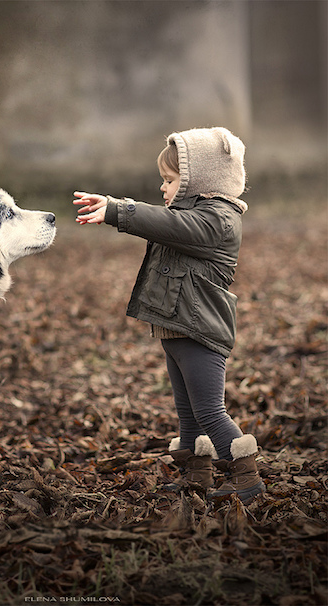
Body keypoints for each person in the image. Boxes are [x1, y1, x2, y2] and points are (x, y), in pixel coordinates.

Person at [73, 127, 265, 504]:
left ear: (198, 181)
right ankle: (197, 474)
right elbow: (168, 221)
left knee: (210, 411)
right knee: (189, 415)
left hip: (200, 332)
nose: (163, 189)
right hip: (177, 329)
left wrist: (117, 210)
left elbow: (169, 224)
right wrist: (117, 207)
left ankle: (246, 476)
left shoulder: (217, 221)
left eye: (170, 180)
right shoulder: (193, 215)